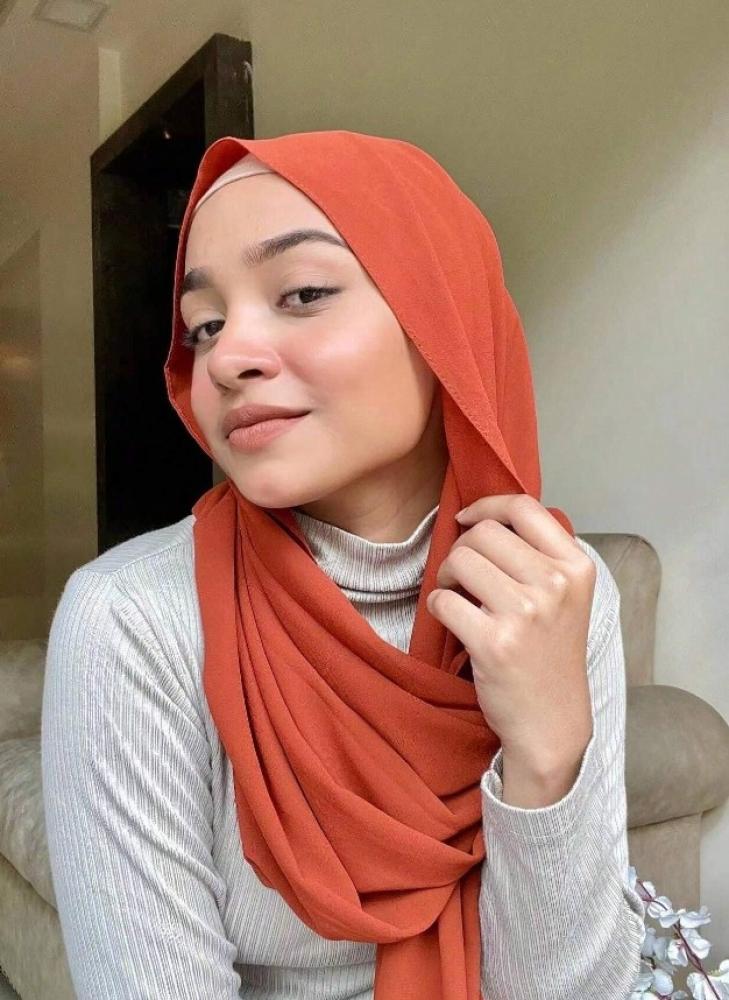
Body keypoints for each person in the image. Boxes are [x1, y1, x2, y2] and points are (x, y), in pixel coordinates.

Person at [41, 129, 646, 999]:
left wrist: (549, 758)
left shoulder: (553, 590)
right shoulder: (133, 619)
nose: (228, 357)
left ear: (443, 319)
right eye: (203, 325)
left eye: (302, 293)